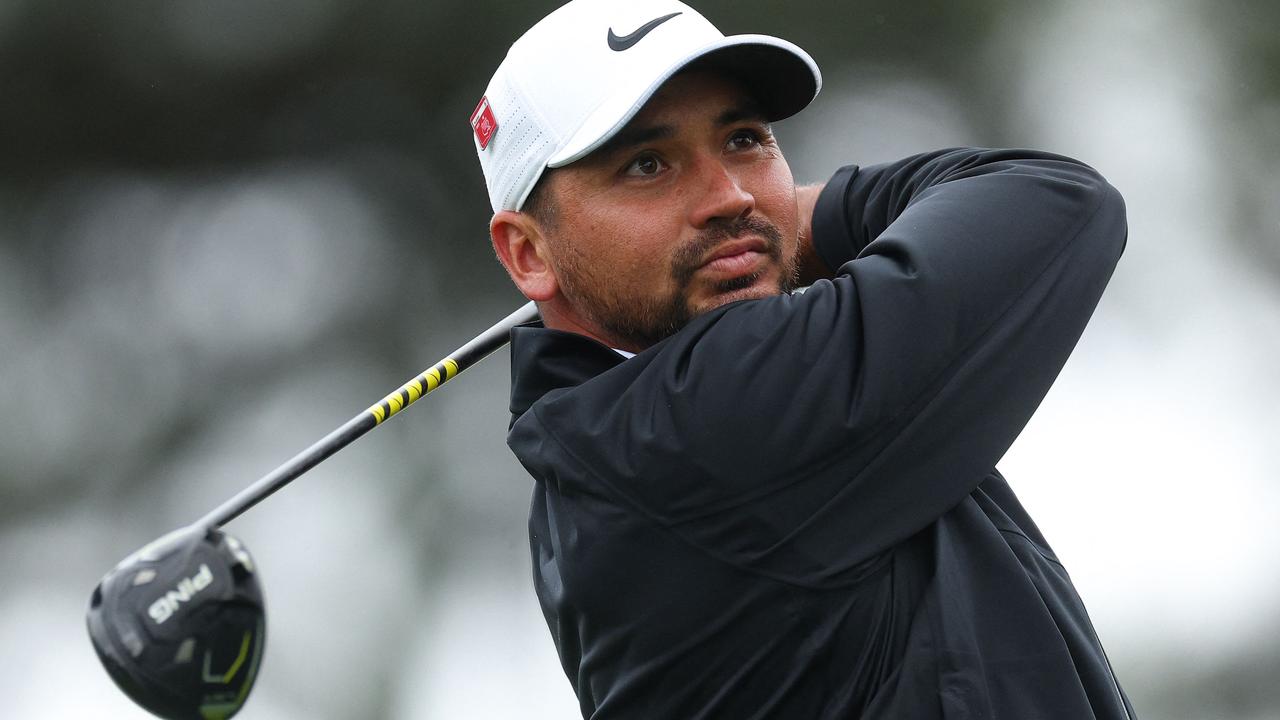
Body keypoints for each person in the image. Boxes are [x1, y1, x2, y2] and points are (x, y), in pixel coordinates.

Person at [472, 1, 1134, 718]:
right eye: (648, 164)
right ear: (529, 253)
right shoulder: (706, 428)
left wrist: (766, 235)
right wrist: (805, 220)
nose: (728, 197)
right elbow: (1058, 200)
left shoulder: (593, 468)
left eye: (744, 139)